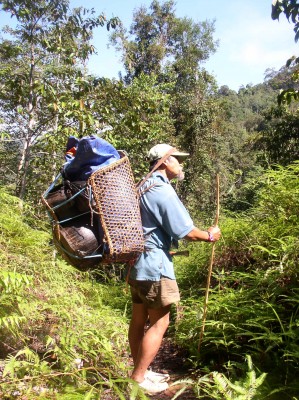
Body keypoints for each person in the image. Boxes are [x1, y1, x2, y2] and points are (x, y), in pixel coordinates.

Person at [127, 143, 221, 394]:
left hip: (136, 264)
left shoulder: (142, 186)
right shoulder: (162, 190)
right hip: (155, 265)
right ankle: (137, 379)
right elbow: (186, 232)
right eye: (177, 159)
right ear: (165, 161)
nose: (181, 164)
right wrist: (210, 235)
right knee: (160, 323)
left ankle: (141, 371)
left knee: (138, 320)